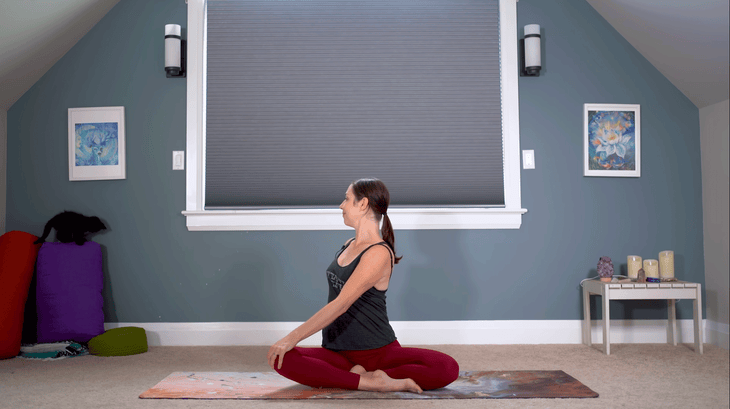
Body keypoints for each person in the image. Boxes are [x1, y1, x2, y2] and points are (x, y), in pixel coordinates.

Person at [267, 178, 460, 393]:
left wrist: (291, 337)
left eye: (347, 199)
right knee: (279, 358)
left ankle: (368, 379)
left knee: (447, 367)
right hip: (337, 352)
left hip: (377, 352)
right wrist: (286, 344)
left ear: (363, 204)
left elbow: (341, 304)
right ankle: (367, 379)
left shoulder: (377, 253)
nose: (341, 205)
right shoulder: (348, 244)